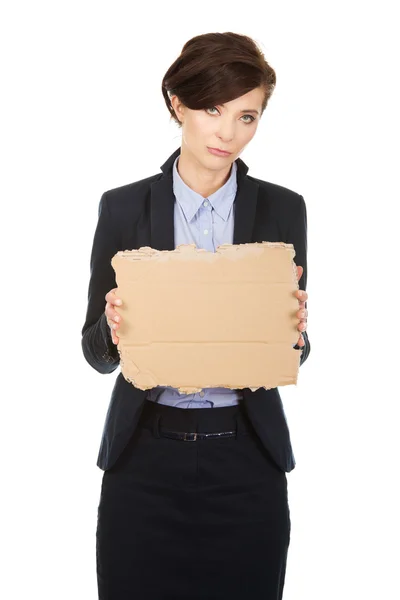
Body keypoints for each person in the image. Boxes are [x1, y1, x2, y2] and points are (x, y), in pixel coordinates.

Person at [81, 31, 310, 600]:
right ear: (176, 103)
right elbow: (93, 351)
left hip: (246, 459)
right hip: (145, 460)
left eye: (247, 115)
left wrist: (296, 334)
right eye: (213, 109)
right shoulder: (124, 207)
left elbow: (298, 347)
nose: (229, 132)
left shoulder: (283, 208)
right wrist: (113, 330)